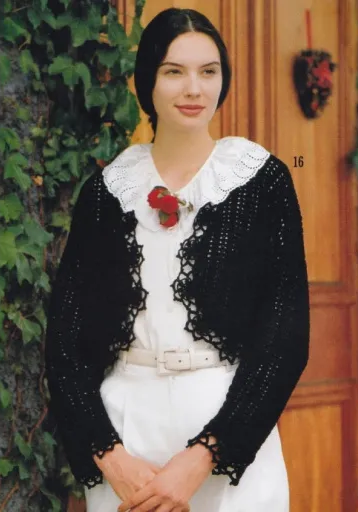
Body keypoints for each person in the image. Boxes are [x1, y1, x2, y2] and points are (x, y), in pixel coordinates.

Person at [44, 7, 310, 512]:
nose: (194, 89)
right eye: (174, 71)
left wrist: (205, 455)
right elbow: (65, 343)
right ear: (148, 80)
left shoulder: (261, 182)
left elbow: (285, 337)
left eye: (208, 71)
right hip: (125, 441)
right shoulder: (106, 193)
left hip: (228, 434)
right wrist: (108, 456)